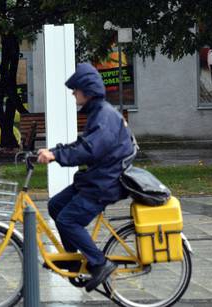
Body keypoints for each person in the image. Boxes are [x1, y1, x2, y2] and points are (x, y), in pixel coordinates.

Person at [37, 63, 134, 292]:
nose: (73, 94)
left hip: (105, 184)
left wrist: (55, 156)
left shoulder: (105, 116)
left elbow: (89, 150)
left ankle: (100, 263)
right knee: (56, 206)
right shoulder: (98, 113)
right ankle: (73, 259)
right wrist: (54, 151)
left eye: (75, 90)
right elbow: (83, 144)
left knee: (67, 220)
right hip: (96, 179)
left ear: (87, 91)